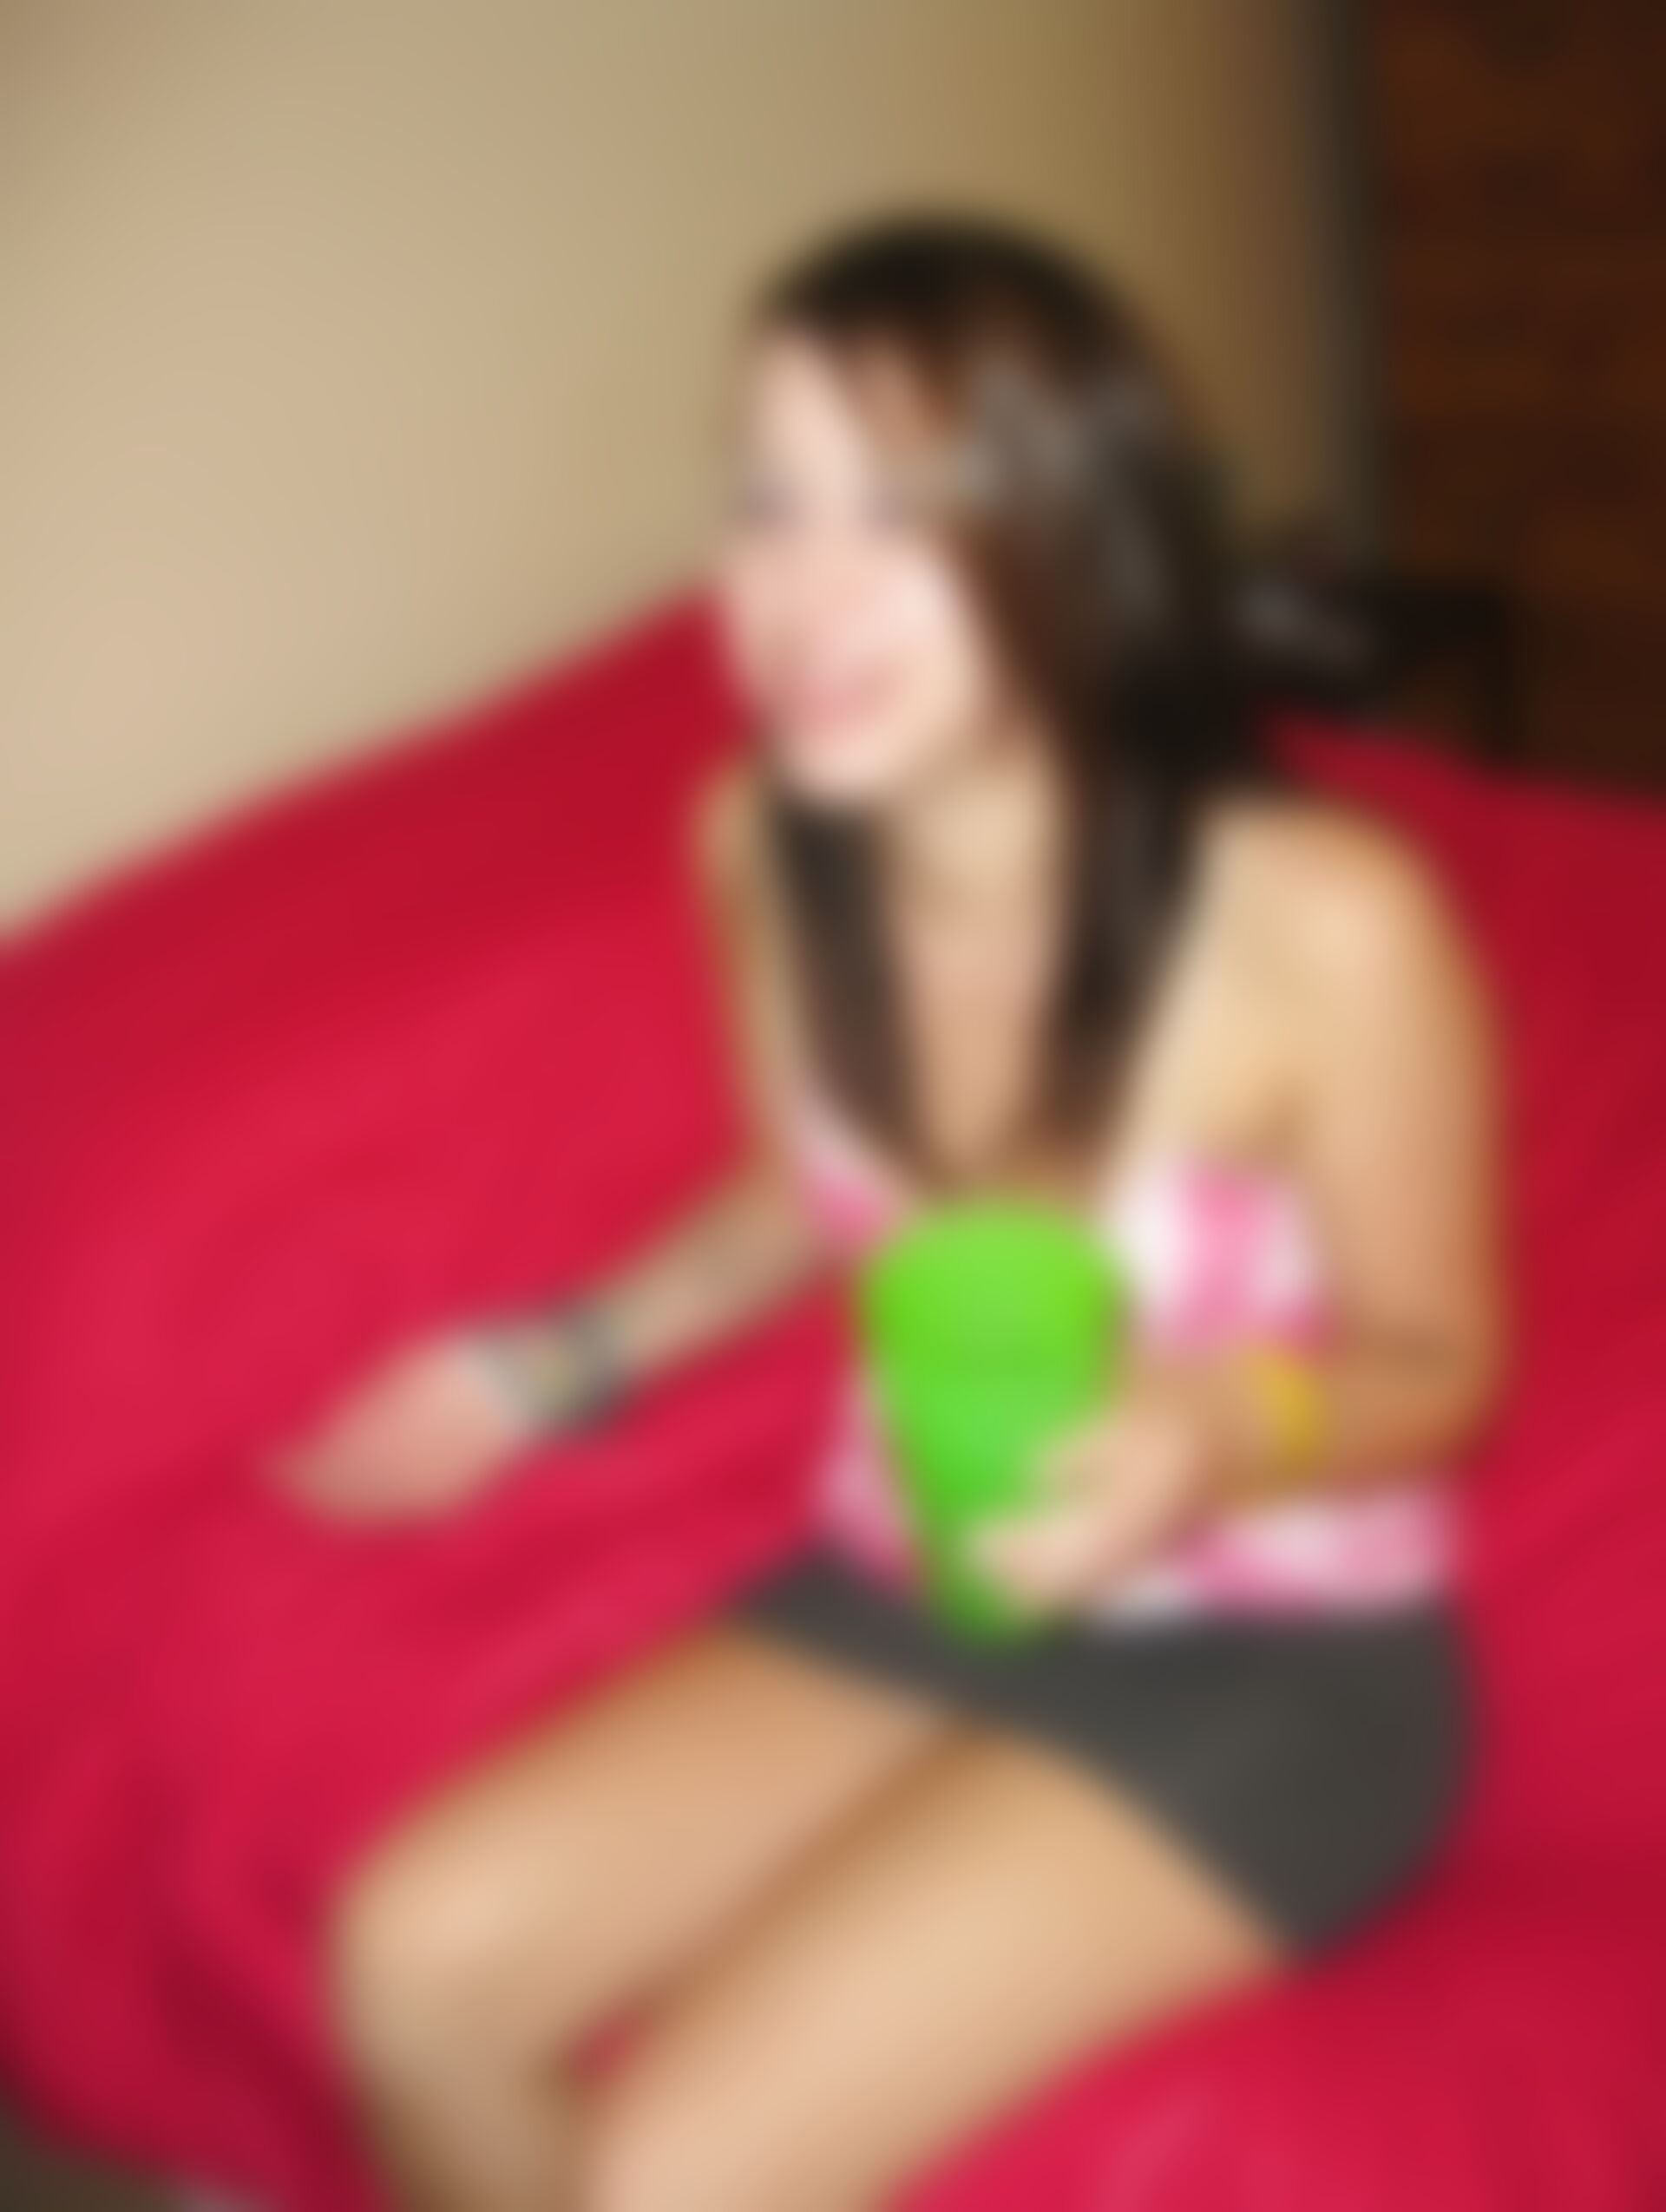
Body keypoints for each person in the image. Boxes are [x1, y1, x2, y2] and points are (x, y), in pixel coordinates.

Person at [272, 213, 1506, 2212]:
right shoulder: (757, 841)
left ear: (1072, 545)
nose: (802, 593)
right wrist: (543, 1366)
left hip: (1272, 1639)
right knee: (404, 1971)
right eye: (768, 504)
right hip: (916, 1561)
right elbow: (796, 1194)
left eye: (903, 513)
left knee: (661, 2185)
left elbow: (1442, 1364)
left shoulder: (1323, 924)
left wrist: (1210, 1427)